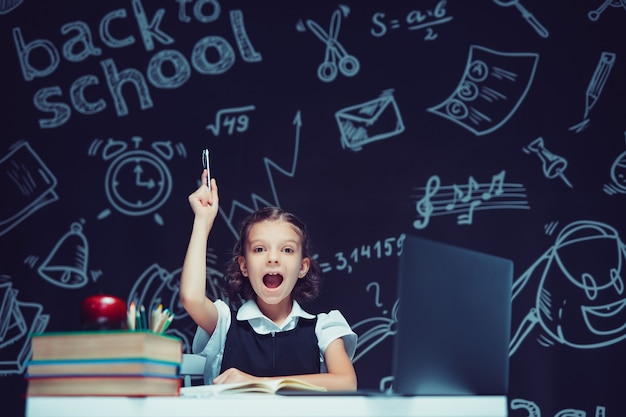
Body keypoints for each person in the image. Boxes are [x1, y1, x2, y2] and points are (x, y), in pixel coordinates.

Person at [180, 170, 358, 391]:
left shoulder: (323, 327)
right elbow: (191, 298)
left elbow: (346, 383)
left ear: (302, 267)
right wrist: (202, 221)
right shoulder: (224, 324)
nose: (273, 258)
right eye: (260, 249)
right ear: (244, 266)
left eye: (287, 250)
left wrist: (256, 383)